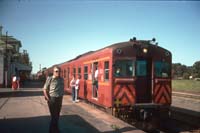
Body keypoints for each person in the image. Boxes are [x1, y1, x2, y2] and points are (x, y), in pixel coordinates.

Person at [43, 66, 64, 133]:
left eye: (59, 71)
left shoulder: (61, 79)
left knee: (57, 116)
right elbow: (44, 89)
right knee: (54, 117)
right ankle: (52, 131)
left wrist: (61, 96)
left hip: (59, 99)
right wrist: (48, 99)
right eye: (56, 71)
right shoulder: (50, 79)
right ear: (53, 72)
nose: (58, 72)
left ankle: (56, 129)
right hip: (52, 99)